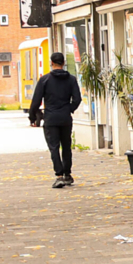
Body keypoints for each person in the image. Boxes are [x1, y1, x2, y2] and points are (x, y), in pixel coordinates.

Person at [29, 52, 82, 189]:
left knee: (54, 147)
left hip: (51, 118)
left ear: (51, 63)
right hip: (65, 118)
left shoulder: (45, 80)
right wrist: (69, 109)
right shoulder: (71, 79)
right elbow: (77, 99)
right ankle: (67, 174)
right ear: (63, 63)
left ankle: (58, 176)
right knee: (66, 146)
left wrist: (33, 116)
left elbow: (36, 101)